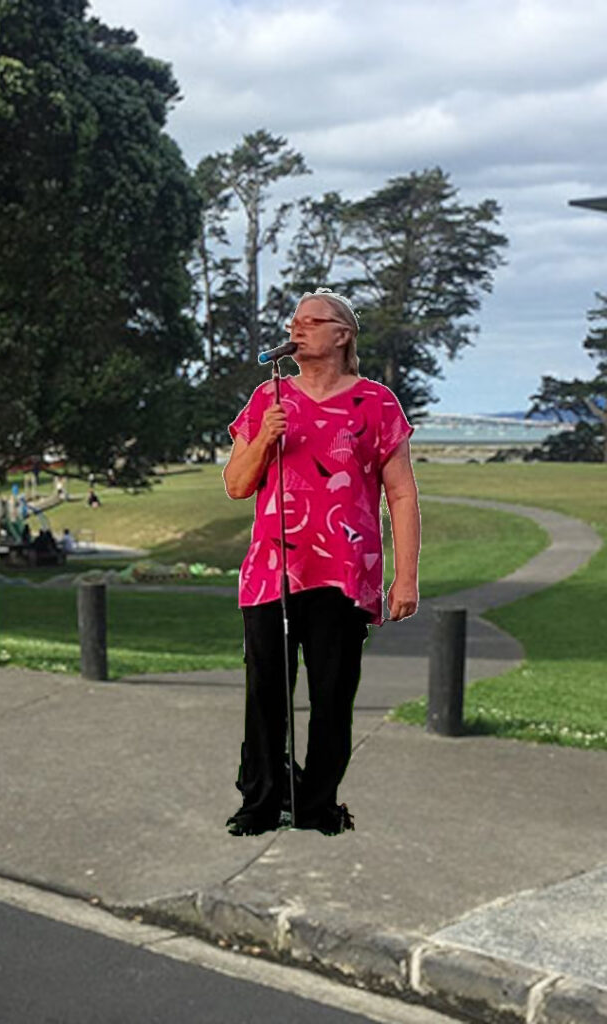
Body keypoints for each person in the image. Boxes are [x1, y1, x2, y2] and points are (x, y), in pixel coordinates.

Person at [222, 287, 420, 837]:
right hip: (272, 573)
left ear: (343, 334)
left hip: (344, 573)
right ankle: (260, 802)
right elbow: (237, 486)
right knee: (265, 695)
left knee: (333, 697)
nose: (299, 326)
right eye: (295, 319)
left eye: (314, 319)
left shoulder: (378, 403)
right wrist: (264, 439)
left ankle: (317, 805)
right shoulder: (268, 399)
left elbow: (401, 494)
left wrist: (406, 576)